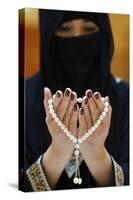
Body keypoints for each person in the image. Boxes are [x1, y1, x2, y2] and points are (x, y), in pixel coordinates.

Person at [19, 9, 129, 192]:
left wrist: (98, 158)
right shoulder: (19, 97)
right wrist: (57, 153)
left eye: (88, 29)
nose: (77, 40)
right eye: (64, 29)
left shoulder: (127, 99)